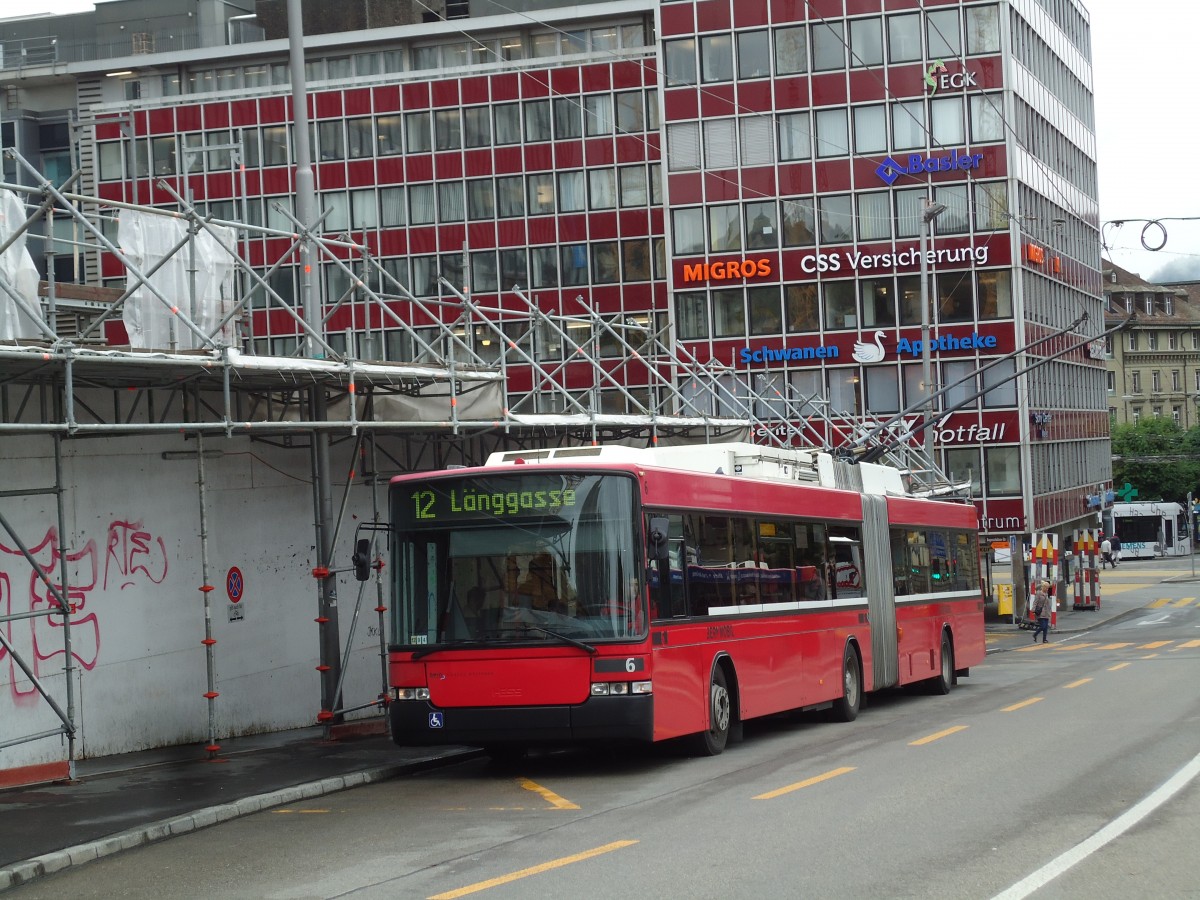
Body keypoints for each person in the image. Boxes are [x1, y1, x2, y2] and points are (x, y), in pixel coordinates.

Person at [1032, 579, 1052, 643]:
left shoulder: (1046, 594)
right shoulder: (1038, 593)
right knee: (1042, 626)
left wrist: (1050, 611)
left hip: (1046, 612)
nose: (1047, 589)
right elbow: (1035, 602)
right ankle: (1035, 634)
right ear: (1044, 587)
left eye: (1048, 588)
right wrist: (1033, 610)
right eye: (1046, 588)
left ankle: (1044, 639)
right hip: (1040, 612)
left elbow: (1048, 604)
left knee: (1045, 627)